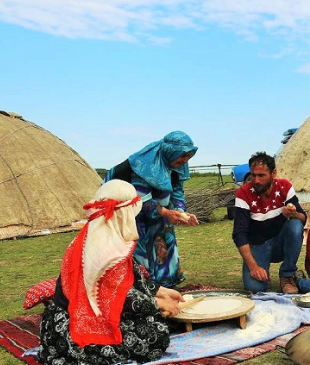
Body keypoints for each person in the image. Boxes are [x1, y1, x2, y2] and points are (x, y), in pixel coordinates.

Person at [38, 180, 185, 365]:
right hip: (73, 327)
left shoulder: (100, 233)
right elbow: (118, 297)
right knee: (156, 334)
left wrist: (160, 291)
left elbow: (129, 278)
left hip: (80, 314)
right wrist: (157, 304)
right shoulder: (103, 248)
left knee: (156, 318)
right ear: (124, 214)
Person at [105, 130, 199, 287]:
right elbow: (140, 201)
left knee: (164, 245)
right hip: (132, 217)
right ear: (171, 151)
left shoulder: (177, 165)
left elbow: (177, 191)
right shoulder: (143, 166)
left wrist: (181, 213)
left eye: (188, 156)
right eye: (183, 156)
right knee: (142, 252)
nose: (185, 160)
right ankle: (147, 288)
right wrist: (166, 212)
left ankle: (167, 285)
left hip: (160, 216)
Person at [232, 151, 307, 294]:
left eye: (261, 175)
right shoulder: (243, 193)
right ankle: (259, 266)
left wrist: (292, 213)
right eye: (253, 175)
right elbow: (239, 234)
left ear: (273, 173)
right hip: (258, 243)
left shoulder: (284, 187)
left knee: (295, 225)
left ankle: (287, 274)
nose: (256, 181)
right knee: (255, 287)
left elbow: (303, 218)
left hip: (280, 242)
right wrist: (253, 267)